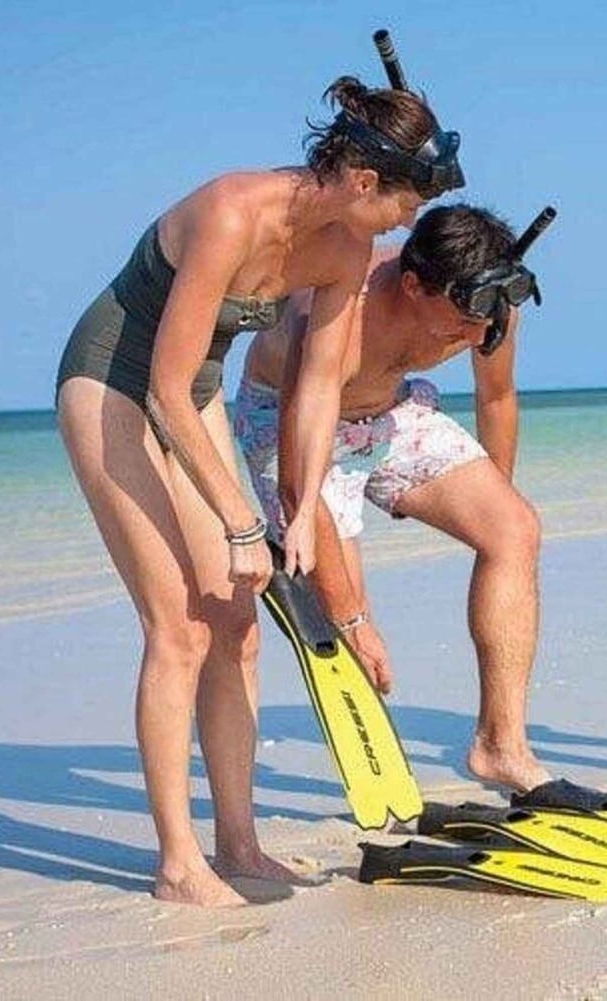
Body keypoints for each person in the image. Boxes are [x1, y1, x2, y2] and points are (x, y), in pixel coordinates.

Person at [55, 76, 463, 906]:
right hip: (113, 383)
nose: (406, 224)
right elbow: (164, 388)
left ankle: (237, 844)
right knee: (178, 626)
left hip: (192, 390)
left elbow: (317, 386)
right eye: (405, 205)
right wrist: (243, 522)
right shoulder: (231, 212)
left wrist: (300, 507)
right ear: (363, 181)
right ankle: (177, 862)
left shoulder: (346, 251)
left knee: (238, 624)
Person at [233, 203, 552, 794]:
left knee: (515, 529)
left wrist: (492, 497)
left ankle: (500, 746)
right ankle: (377, 776)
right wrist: (352, 618)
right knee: (352, 622)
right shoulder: (335, 312)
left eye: (486, 319)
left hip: (392, 412)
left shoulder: (490, 303)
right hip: (291, 425)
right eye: (464, 319)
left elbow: (497, 398)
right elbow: (301, 482)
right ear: (412, 285)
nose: (478, 336)